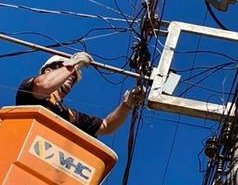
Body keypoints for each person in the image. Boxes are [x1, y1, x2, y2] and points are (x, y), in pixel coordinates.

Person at [15, 52, 145, 137]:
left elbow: (106, 126)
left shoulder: (69, 115)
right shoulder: (30, 87)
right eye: (71, 73)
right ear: (48, 71)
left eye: (74, 77)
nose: (72, 76)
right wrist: (73, 65)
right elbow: (44, 86)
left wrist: (126, 106)